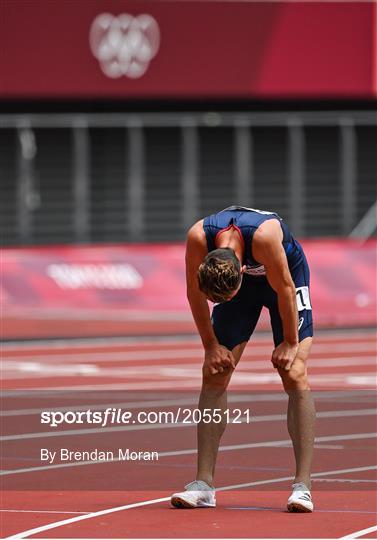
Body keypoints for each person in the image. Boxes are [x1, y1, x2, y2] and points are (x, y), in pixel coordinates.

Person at [170, 206, 315, 512]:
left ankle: (302, 487)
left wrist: (290, 342)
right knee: (214, 372)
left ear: (236, 281)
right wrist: (210, 346)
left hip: (286, 276)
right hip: (245, 280)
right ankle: (204, 485)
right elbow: (193, 294)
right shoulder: (198, 238)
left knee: (295, 372)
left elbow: (286, 288)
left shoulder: (264, 238)